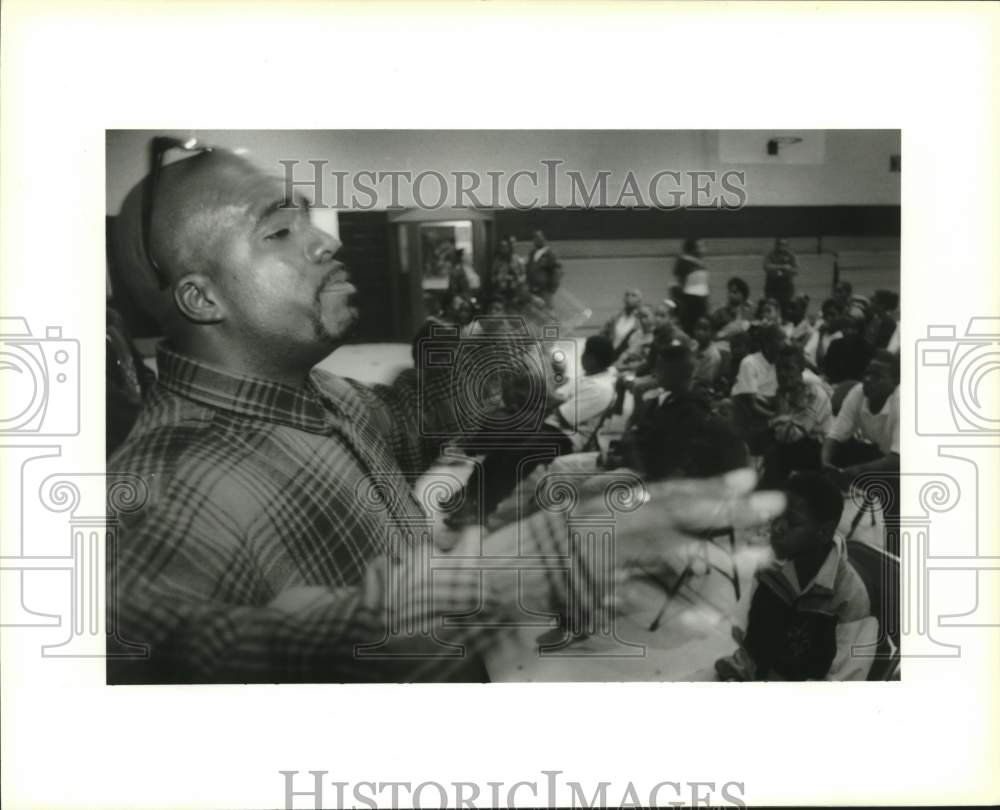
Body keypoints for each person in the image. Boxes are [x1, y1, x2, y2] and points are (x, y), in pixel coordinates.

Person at [105, 142, 785, 684]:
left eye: (307, 218)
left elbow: (399, 424)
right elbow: (156, 648)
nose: (324, 241)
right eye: (280, 231)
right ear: (201, 298)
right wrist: (492, 572)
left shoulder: (324, 396)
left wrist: (474, 372)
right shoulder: (169, 481)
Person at [715, 471, 875, 681]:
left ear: (824, 532)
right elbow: (749, 634)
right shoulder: (770, 564)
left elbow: (844, 680)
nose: (777, 527)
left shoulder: (851, 598)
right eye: (777, 516)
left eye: (792, 521)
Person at [822, 351, 900, 554]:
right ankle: (819, 532)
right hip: (883, 453)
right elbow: (835, 435)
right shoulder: (858, 392)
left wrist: (854, 471)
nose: (867, 380)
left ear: (895, 381)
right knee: (817, 455)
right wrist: (825, 463)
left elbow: (898, 460)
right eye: (867, 373)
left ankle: (896, 557)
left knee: (894, 486)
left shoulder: (904, 401)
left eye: (877, 376)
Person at [759, 344, 833, 488]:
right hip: (797, 447)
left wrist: (779, 411)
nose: (782, 373)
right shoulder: (786, 390)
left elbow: (791, 436)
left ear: (801, 369)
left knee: (777, 452)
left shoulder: (814, 393)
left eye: (788, 368)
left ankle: (769, 491)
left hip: (821, 450)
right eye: (779, 368)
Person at [731, 324, 785, 453]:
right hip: (749, 416)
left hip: (768, 412)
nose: (785, 343)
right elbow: (752, 405)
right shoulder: (750, 363)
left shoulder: (778, 363)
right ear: (767, 343)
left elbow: (779, 397)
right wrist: (777, 417)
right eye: (780, 339)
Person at [671, 237, 710, 334]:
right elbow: (678, 284)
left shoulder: (699, 263)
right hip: (690, 304)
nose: (704, 249)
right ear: (693, 249)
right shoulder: (685, 262)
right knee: (690, 329)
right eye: (701, 246)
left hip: (699, 302)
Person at [601, 288, 644, 358]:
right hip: (612, 355)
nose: (629, 297)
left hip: (630, 357)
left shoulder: (642, 319)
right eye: (627, 295)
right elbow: (602, 333)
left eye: (633, 295)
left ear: (639, 301)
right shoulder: (615, 317)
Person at [803, 298, 844, 370]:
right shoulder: (818, 333)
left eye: (832, 315)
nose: (828, 318)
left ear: (840, 316)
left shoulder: (840, 337)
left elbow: (822, 363)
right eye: (825, 315)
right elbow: (805, 353)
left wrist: (821, 336)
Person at [487, 237, 527, 311]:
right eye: (501, 246)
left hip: (515, 293)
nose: (503, 249)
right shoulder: (497, 261)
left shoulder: (518, 259)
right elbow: (492, 277)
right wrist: (499, 278)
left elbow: (524, 276)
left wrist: (517, 279)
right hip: (500, 294)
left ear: (509, 247)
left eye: (505, 246)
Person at [526, 229, 562, 306]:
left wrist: (552, 288)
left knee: (548, 311)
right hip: (532, 289)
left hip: (545, 290)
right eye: (535, 238)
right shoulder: (532, 253)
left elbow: (557, 271)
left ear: (544, 239)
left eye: (539, 237)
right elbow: (528, 269)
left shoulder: (550, 254)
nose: (537, 240)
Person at [762, 237, 799, 313]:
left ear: (787, 245)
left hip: (786, 287)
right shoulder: (771, 254)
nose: (781, 246)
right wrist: (782, 267)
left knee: (785, 309)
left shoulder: (791, 255)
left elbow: (796, 270)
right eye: (779, 244)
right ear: (776, 245)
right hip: (772, 287)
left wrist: (787, 270)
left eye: (784, 244)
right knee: (771, 309)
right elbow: (766, 266)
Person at [691, 316, 722, 393]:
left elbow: (705, 382)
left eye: (704, 329)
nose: (700, 332)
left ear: (713, 333)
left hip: (700, 392)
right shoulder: (694, 347)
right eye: (698, 328)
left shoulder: (713, 355)